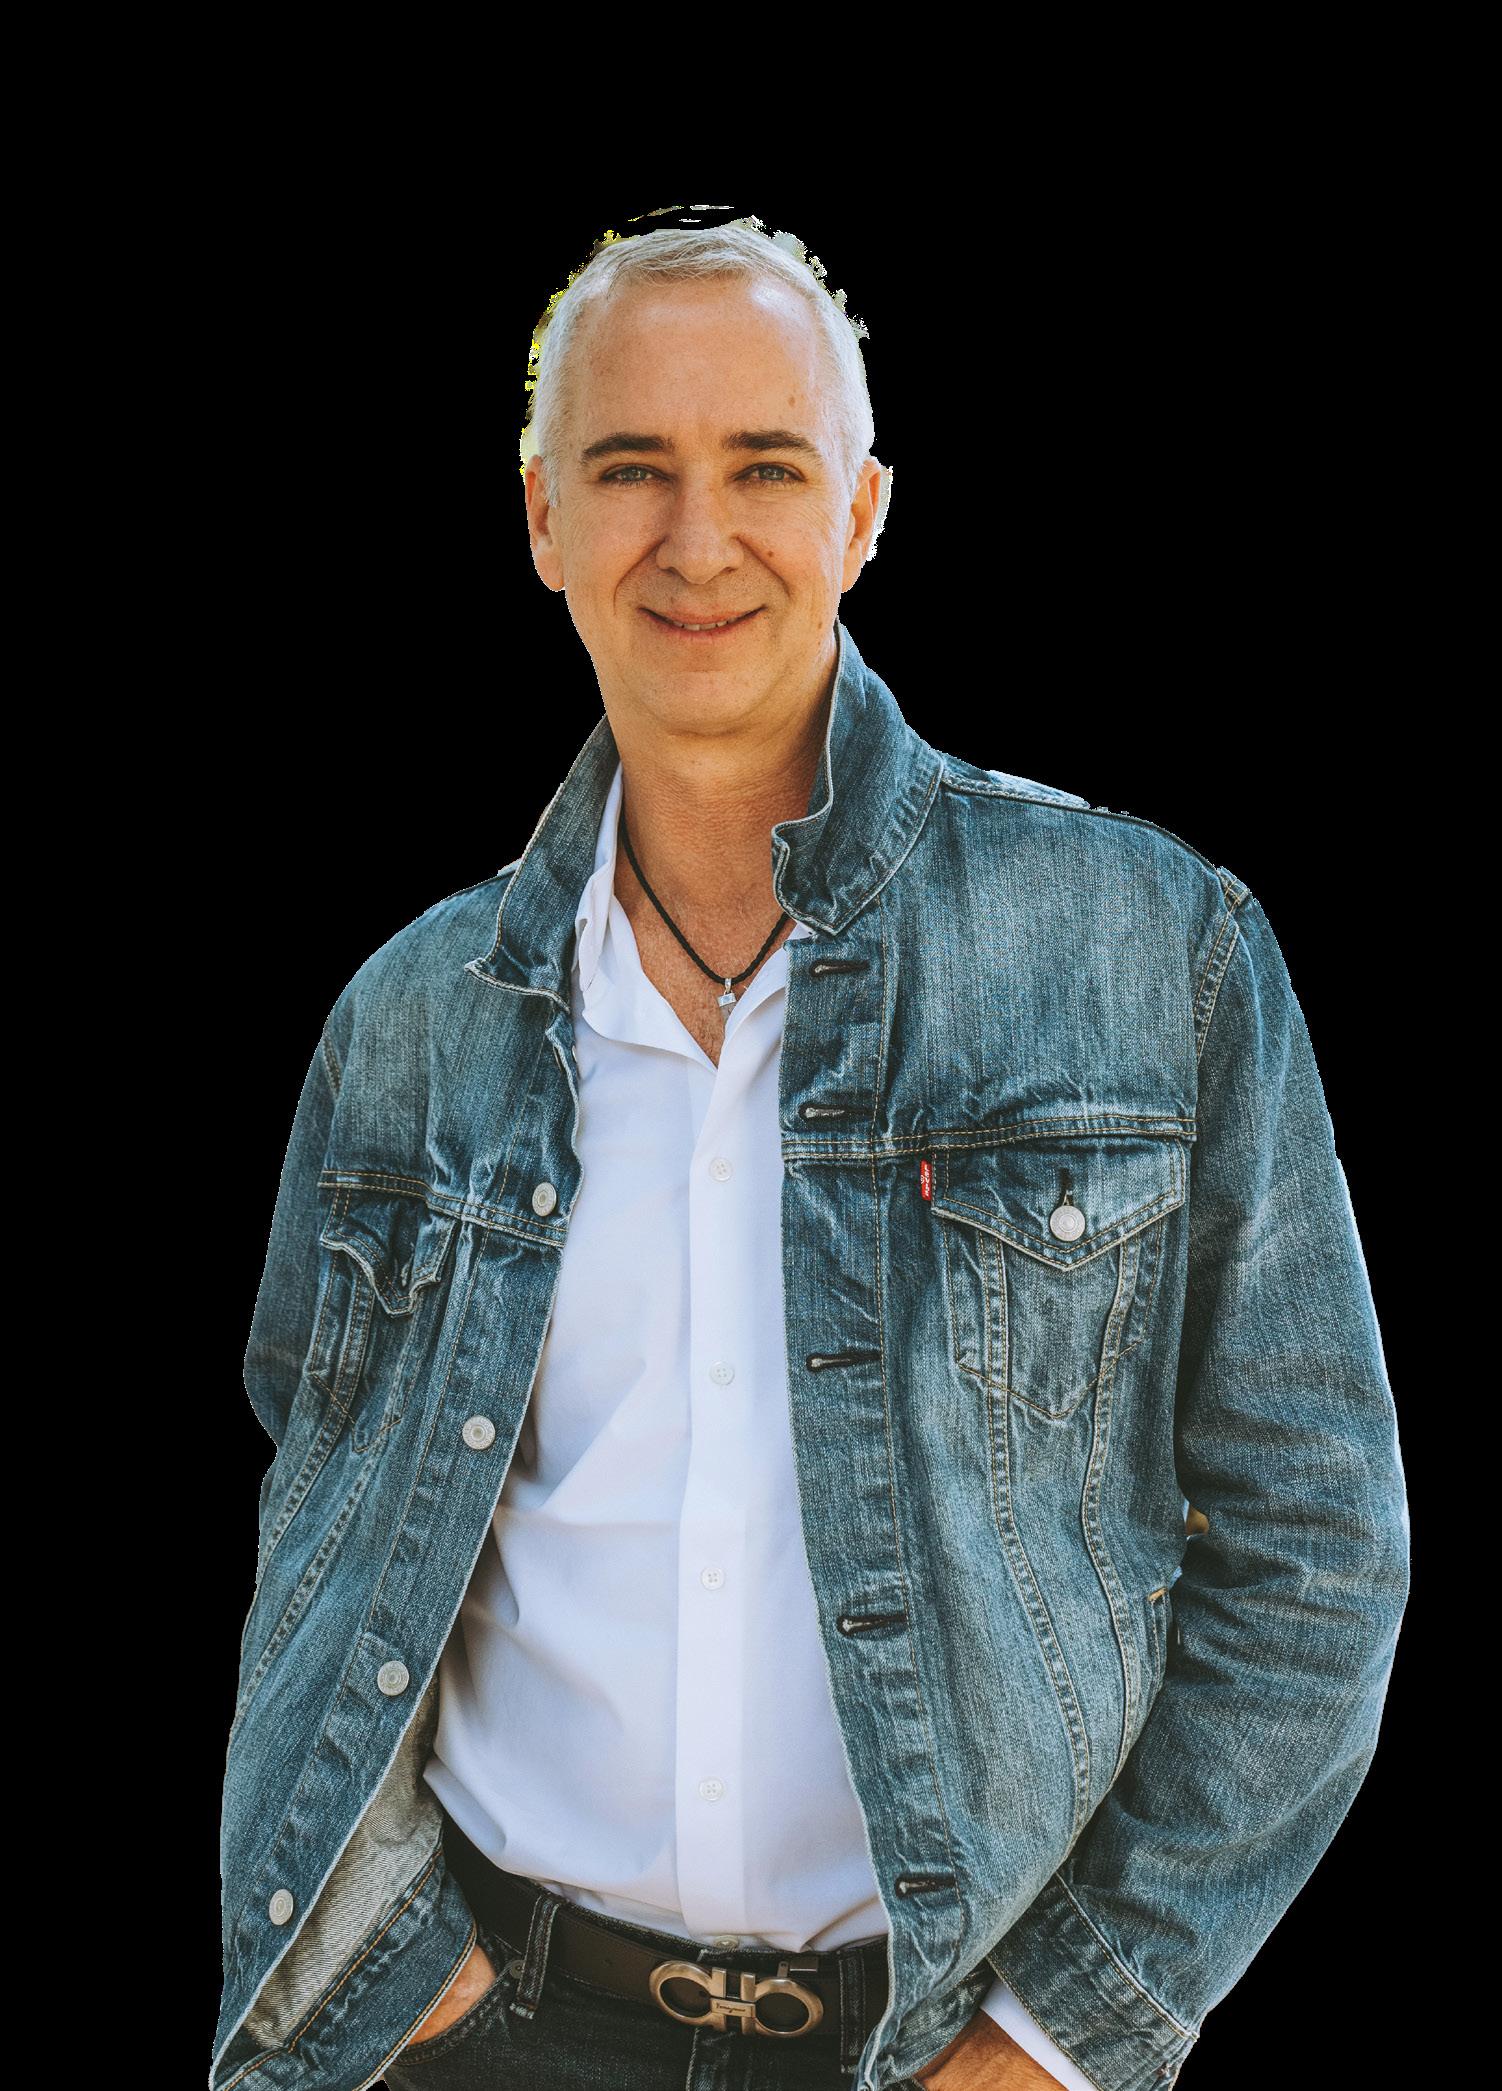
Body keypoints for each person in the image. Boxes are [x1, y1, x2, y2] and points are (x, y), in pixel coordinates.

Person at [211, 218, 1410, 2091]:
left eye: (764, 468)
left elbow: (1316, 1549)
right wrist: (400, 1971)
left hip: (944, 2048)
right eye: (631, 469)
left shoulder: (1144, 952)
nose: (698, 541)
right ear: (541, 520)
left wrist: (1056, 2042)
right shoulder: (411, 1015)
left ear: (860, 514)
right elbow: (322, 1503)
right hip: (489, 2032)